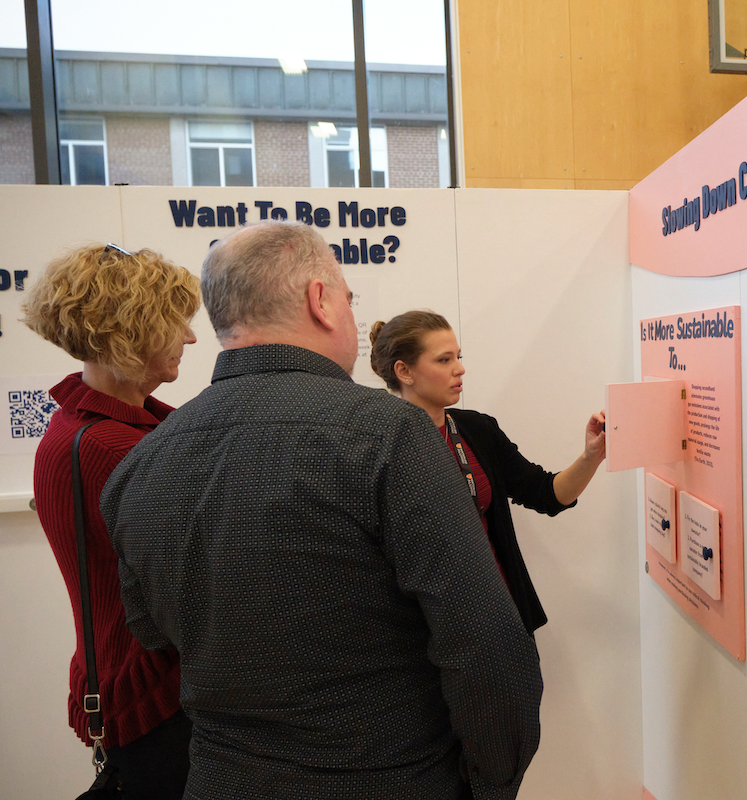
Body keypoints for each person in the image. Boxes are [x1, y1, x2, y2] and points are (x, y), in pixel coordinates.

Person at [100, 220, 542, 800]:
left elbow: (158, 636)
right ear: (321, 302)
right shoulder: (389, 436)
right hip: (390, 778)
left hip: (218, 779)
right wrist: (492, 785)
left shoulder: (140, 462)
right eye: (348, 298)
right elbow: (487, 645)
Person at [23, 243, 199, 799]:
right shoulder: (110, 446)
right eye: (177, 324)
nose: (191, 339)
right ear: (134, 332)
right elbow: (190, 586)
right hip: (157, 702)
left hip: (140, 688)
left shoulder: (90, 428)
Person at [368, 310, 605, 634]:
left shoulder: (476, 429)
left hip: (499, 620)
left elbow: (546, 494)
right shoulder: (376, 447)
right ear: (404, 371)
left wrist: (592, 456)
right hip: (423, 637)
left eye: (459, 357)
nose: (460, 368)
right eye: (443, 360)